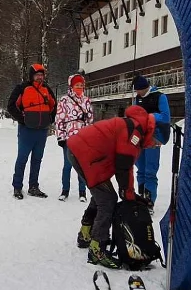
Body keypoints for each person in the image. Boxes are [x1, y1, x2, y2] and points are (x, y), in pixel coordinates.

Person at [66, 104, 156, 267]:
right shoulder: (135, 133)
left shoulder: (134, 126)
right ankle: (97, 249)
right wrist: (128, 194)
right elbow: (123, 166)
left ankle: (85, 234)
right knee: (107, 200)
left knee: (101, 195)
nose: (156, 145)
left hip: (81, 150)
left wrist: (129, 193)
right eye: (158, 142)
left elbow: (126, 166)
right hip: (86, 154)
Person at [6, 63, 57, 199]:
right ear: (31, 75)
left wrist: (50, 119)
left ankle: (33, 187)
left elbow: (54, 105)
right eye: (37, 75)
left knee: (37, 160)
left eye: (41, 75)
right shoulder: (22, 88)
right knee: (22, 159)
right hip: (26, 130)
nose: (40, 77)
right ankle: (17, 187)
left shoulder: (46, 89)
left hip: (42, 131)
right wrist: (23, 119)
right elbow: (11, 106)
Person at [130, 75, 171, 209]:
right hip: (140, 137)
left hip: (154, 137)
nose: (137, 93)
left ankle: (149, 201)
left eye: (138, 90)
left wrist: (148, 116)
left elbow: (165, 117)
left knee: (150, 171)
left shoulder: (160, 97)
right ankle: (141, 197)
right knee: (140, 169)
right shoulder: (137, 99)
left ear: (144, 88)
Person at [55, 73, 93, 202]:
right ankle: (65, 190)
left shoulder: (86, 100)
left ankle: (82, 192)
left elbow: (90, 120)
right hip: (69, 137)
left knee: (82, 166)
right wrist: (61, 137)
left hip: (83, 137)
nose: (79, 87)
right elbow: (59, 120)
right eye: (77, 85)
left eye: (81, 85)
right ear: (71, 86)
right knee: (68, 165)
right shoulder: (64, 100)